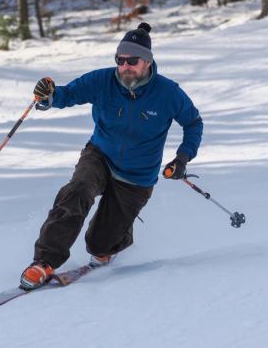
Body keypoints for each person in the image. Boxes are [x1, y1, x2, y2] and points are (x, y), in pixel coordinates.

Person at [20, 22, 203, 289]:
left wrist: (183, 158)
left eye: (132, 60)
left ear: (148, 62)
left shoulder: (168, 92)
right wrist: (48, 97)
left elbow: (194, 123)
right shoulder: (103, 81)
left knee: (100, 245)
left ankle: (117, 232)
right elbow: (67, 94)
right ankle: (44, 262)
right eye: (120, 60)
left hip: (138, 175)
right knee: (78, 190)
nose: (125, 66)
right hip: (100, 155)